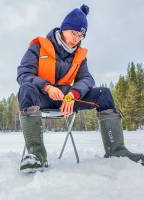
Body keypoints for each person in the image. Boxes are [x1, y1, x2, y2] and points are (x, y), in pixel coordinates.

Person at [17, 4, 144, 173]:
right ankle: (36, 156)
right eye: (73, 33)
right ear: (64, 29)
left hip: (66, 99)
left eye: (81, 35)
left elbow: (87, 78)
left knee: (103, 95)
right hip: (41, 97)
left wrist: (73, 94)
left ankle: (116, 150)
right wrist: (46, 87)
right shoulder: (39, 46)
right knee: (26, 89)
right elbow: (23, 74)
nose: (76, 38)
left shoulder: (79, 55)